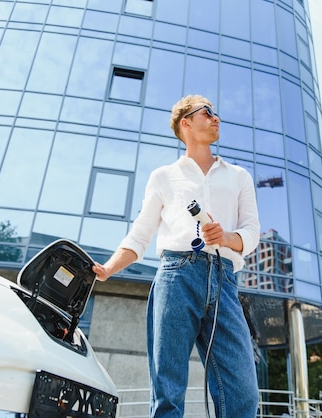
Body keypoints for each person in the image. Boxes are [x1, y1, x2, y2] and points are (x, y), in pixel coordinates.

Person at [92, 95, 260, 418]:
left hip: (224, 280)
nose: (216, 118)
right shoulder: (163, 177)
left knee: (243, 393)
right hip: (176, 276)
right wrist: (109, 268)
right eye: (207, 112)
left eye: (216, 113)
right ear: (186, 123)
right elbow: (141, 234)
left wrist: (227, 237)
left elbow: (251, 232)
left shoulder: (239, 176)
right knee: (167, 393)